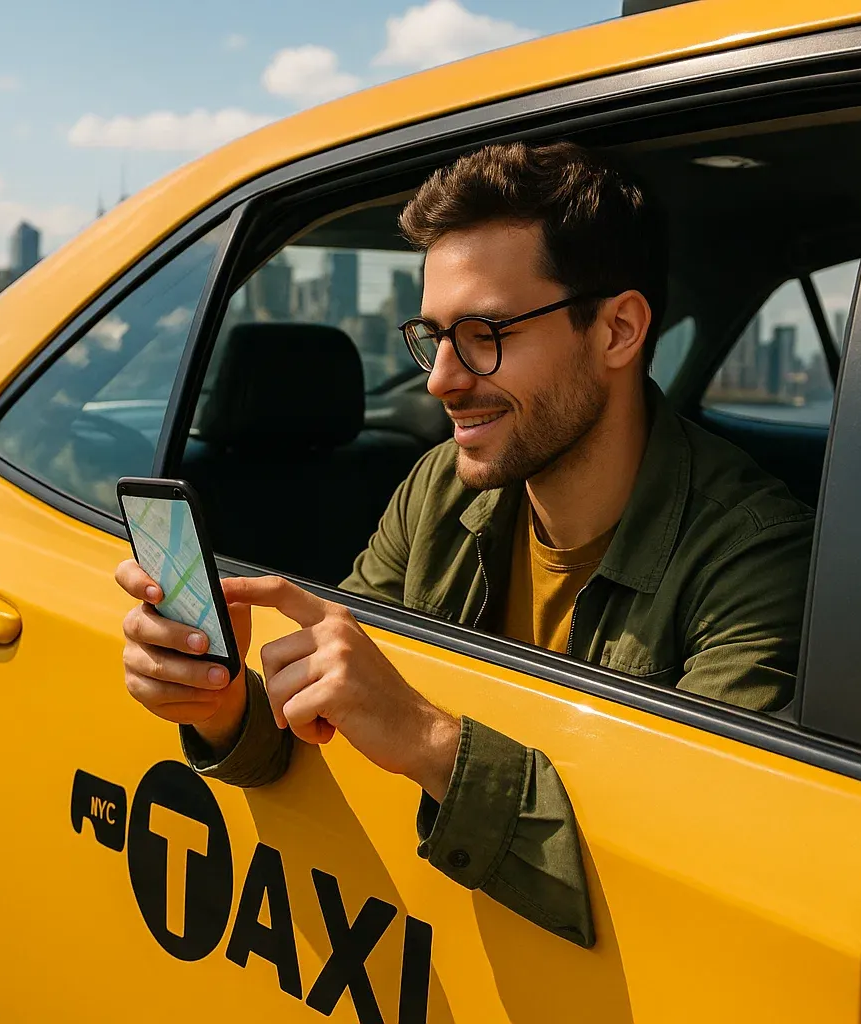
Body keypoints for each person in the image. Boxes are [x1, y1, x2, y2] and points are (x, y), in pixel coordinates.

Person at [116, 141, 814, 949]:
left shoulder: (755, 560)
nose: (440, 378)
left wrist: (429, 741)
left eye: (483, 332)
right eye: (433, 336)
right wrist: (223, 709)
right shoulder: (439, 490)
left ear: (618, 329)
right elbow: (334, 715)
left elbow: (699, 882)